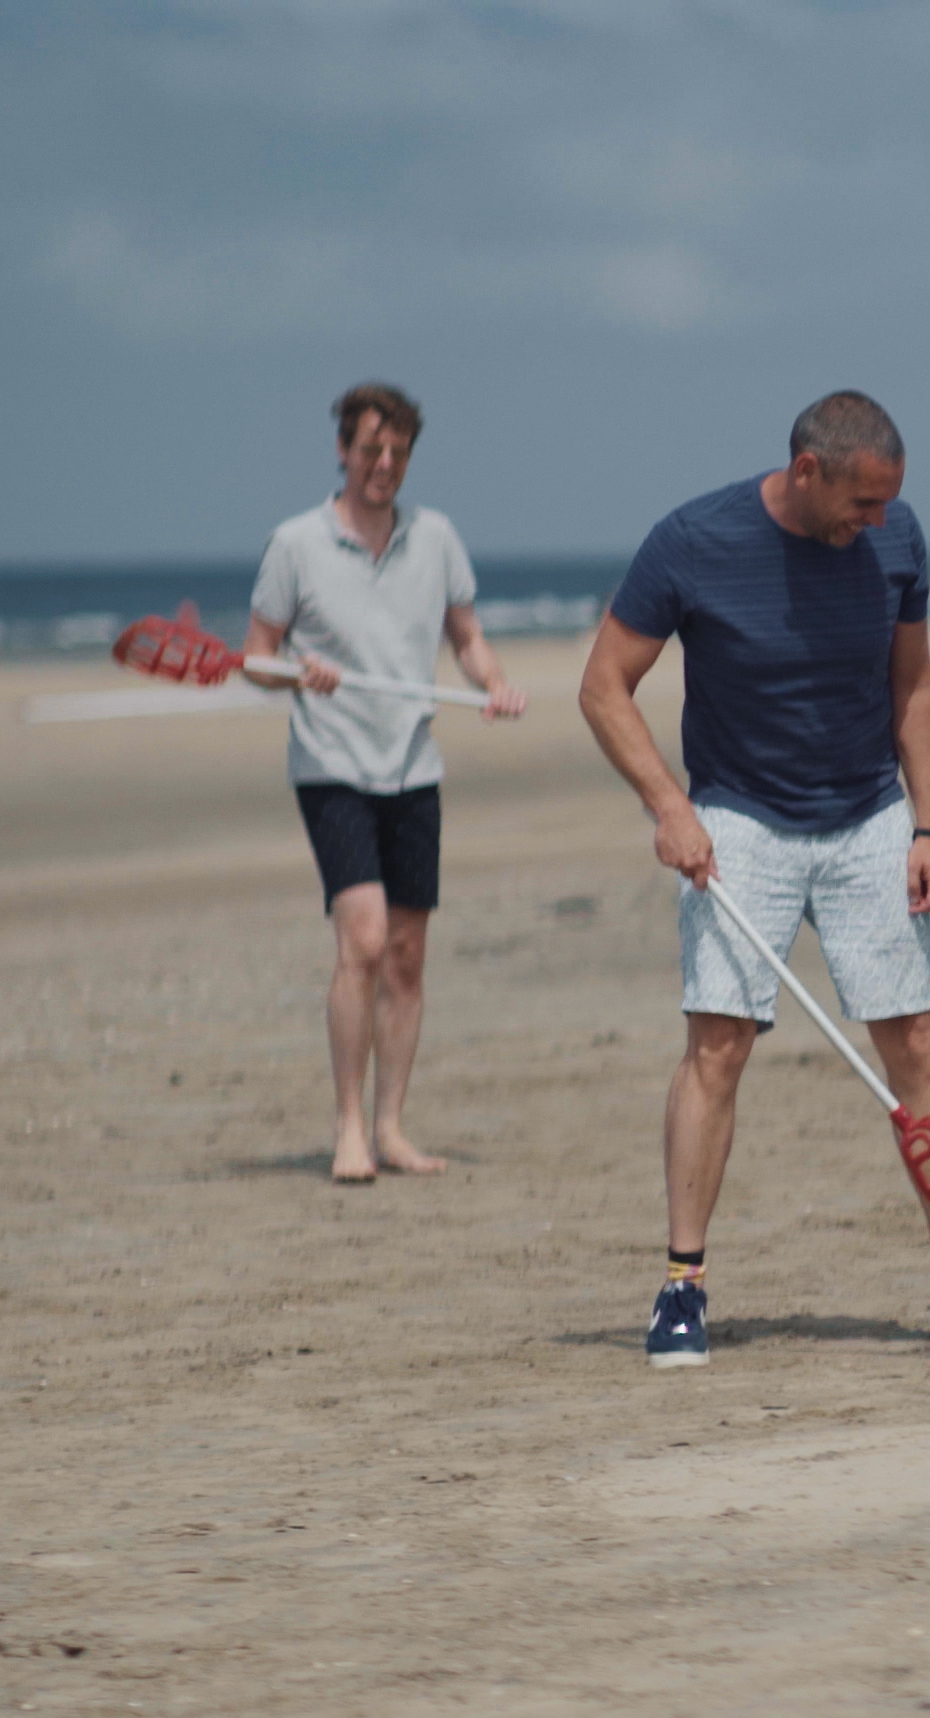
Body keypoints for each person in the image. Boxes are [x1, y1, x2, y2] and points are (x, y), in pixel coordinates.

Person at [578, 391, 930, 1369]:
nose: (877, 522)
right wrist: (669, 808)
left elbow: (915, 685)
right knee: (718, 1047)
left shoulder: (896, 541)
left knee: (916, 1043)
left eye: (889, 503)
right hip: (738, 819)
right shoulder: (692, 543)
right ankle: (682, 1284)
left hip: (869, 815)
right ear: (808, 471)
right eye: (862, 503)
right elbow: (603, 687)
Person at [245, 381, 530, 1184]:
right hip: (331, 766)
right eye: (371, 449)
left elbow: (466, 638)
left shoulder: (435, 537)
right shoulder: (295, 544)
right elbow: (255, 656)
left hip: (413, 766)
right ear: (343, 449)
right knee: (363, 940)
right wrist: (297, 675)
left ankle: (392, 1127)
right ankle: (347, 1130)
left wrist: (493, 684)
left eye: (397, 453)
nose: (384, 465)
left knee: (406, 955)